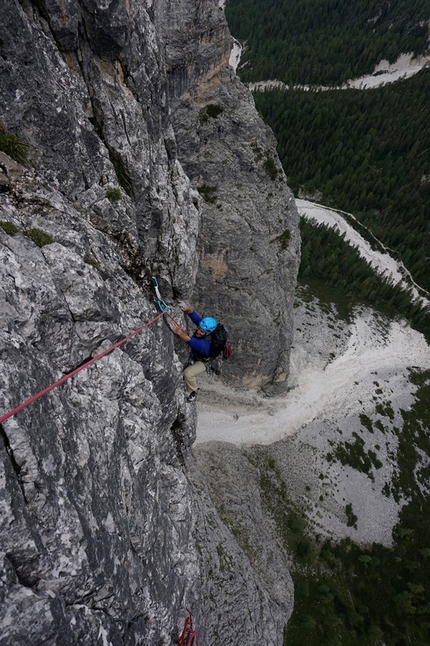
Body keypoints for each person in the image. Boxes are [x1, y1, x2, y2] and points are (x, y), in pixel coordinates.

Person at [170, 302, 217, 402]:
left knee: (188, 373)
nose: (198, 331)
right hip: (197, 355)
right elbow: (192, 313)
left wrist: (178, 332)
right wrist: (186, 308)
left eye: (201, 332)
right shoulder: (204, 327)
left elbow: (187, 339)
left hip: (204, 361)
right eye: (198, 328)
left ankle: (194, 391)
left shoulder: (204, 344)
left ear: (207, 333)